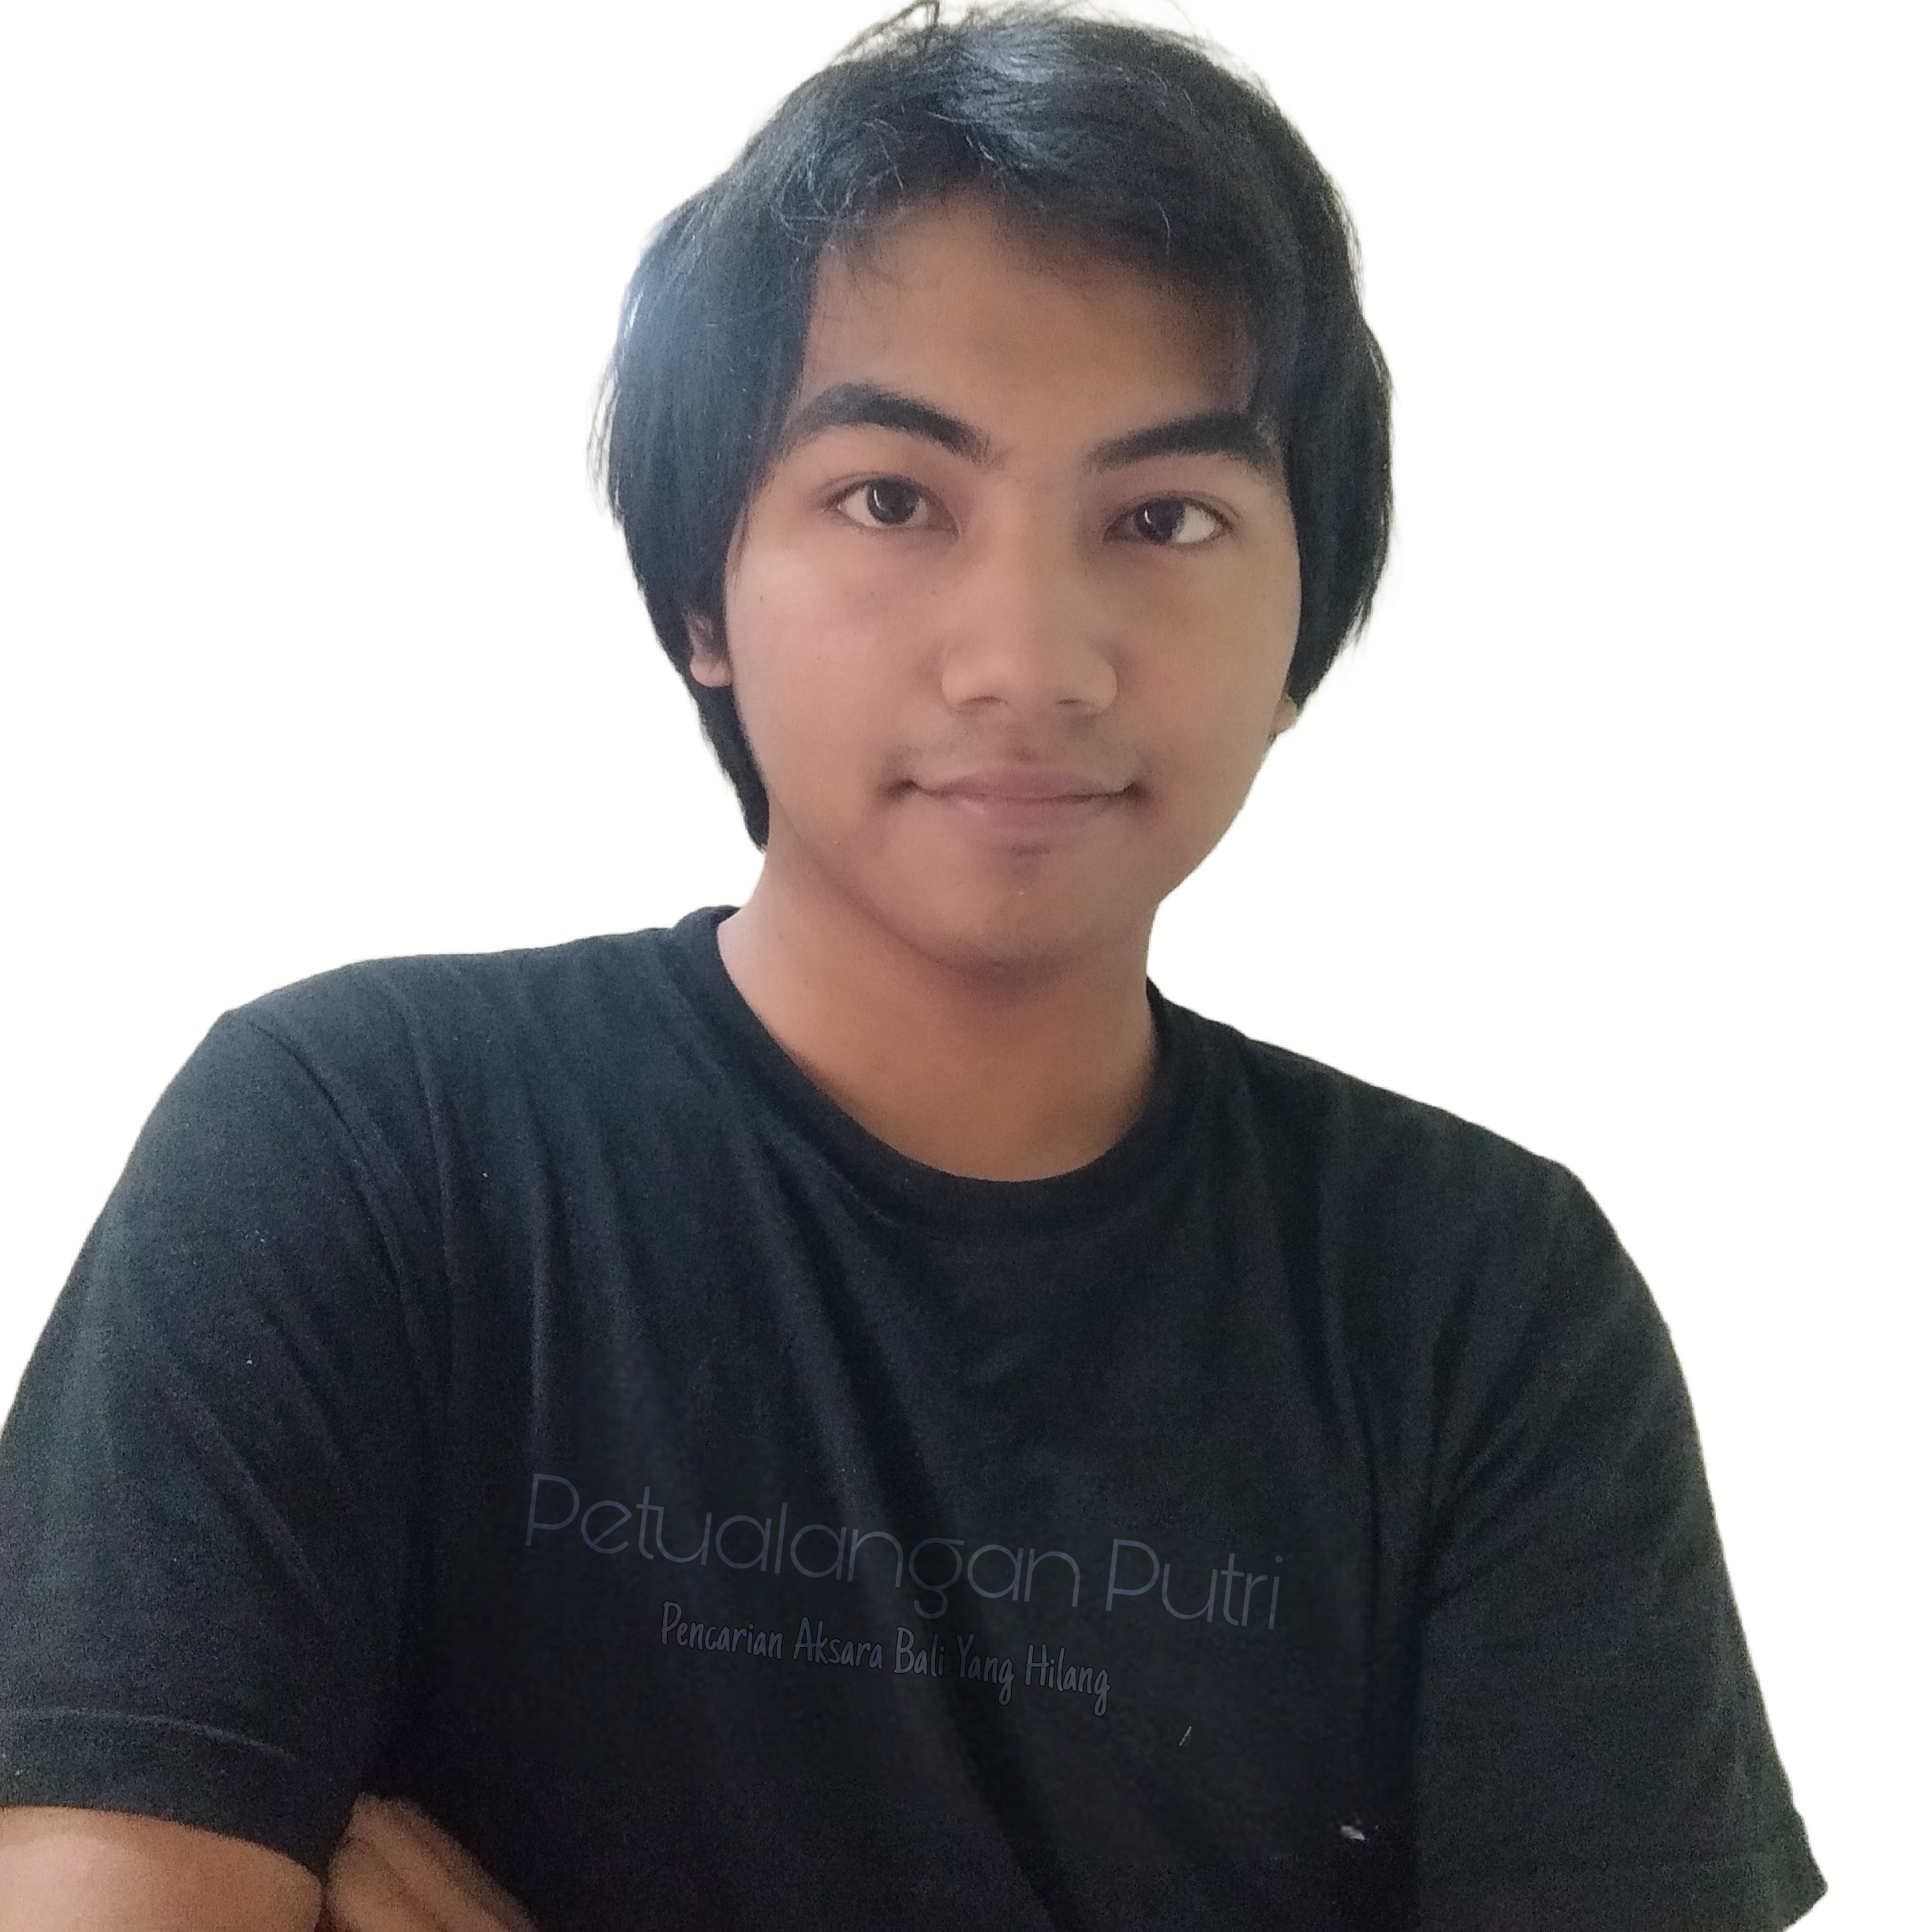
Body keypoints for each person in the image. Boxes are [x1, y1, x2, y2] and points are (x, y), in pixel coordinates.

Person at [0, 6, 1825, 1928]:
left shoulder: (1482, 1305)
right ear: (702, 594)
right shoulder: (362, 1150)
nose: (1028, 658)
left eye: (1165, 517)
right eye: (890, 498)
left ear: (1302, 631)